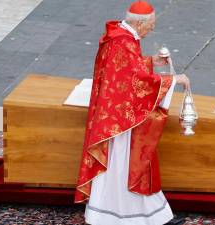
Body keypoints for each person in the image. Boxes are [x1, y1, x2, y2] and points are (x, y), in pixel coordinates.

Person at [74, 1, 190, 224]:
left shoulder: (119, 36)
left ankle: (112, 215)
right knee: (130, 164)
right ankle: (143, 217)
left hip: (115, 114)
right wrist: (174, 80)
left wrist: (150, 61)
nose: (152, 29)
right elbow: (136, 81)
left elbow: (126, 71)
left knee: (120, 167)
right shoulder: (123, 42)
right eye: (151, 25)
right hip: (121, 120)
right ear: (138, 22)